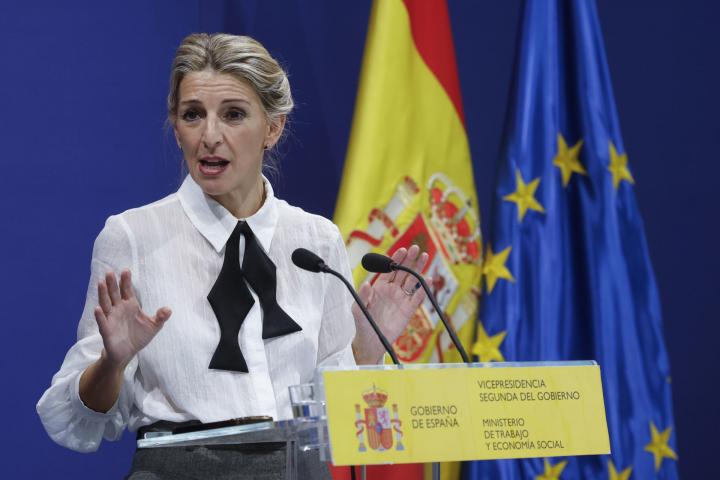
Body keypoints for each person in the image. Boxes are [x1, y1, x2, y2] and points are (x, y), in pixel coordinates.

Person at [36, 33, 428, 479]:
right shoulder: (133, 236)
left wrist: (368, 345)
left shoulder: (316, 241)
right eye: (192, 115)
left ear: (273, 128)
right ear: (176, 127)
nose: (209, 136)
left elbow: (332, 411)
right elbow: (76, 420)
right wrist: (113, 361)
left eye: (233, 114)